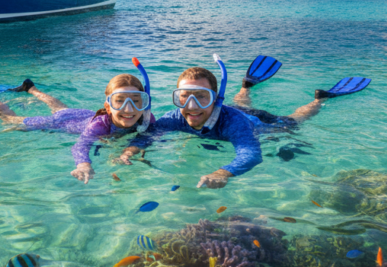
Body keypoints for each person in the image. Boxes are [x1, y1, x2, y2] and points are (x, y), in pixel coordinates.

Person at [120, 56, 329, 189]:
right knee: (240, 103)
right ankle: (245, 87)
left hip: (257, 122)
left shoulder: (234, 124)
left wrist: (223, 172)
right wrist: (131, 150)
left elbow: (251, 154)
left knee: (294, 121)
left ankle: (319, 99)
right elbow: (149, 134)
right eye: (184, 97)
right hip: (230, 110)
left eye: (202, 96)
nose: (191, 105)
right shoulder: (176, 117)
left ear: (216, 98)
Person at [0, 60, 156, 183]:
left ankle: (31, 89)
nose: (129, 110)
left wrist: (132, 152)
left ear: (145, 104)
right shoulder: (100, 125)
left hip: (81, 113)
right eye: (119, 102)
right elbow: (81, 145)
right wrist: (84, 165)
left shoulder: (147, 118)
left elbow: (145, 137)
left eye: (137, 102)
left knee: (61, 108)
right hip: (67, 123)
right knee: (11, 121)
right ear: (108, 105)